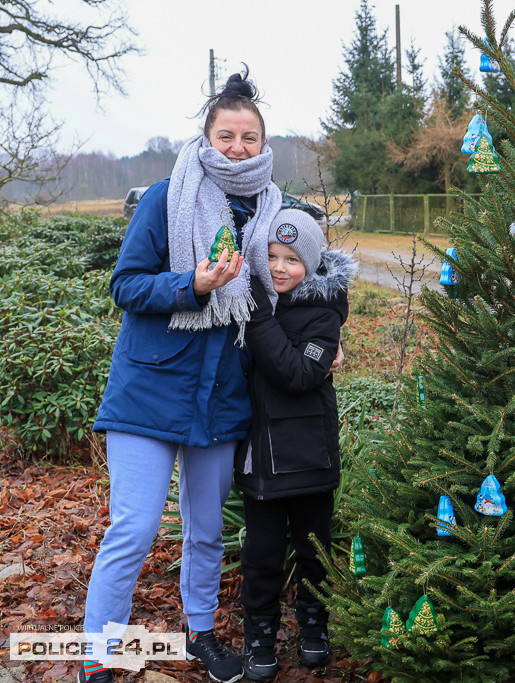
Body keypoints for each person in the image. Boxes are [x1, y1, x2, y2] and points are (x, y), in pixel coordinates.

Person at [80, 68, 281, 683]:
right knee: (134, 527)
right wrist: (192, 285)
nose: (237, 148)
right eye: (226, 135)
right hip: (148, 390)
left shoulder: (273, 209)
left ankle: (200, 635)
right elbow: (125, 285)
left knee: (206, 531)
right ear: (207, 136)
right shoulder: (167, 197)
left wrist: (324, 342)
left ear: (263, 143)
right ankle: (99, 655)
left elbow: (293, 285)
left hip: (221, 396)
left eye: (248, 137)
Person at [234, 209, 355, 680]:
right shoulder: (242, 303)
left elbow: (298, 373)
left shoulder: (323, 313)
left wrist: (261, 313)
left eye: (292, 259)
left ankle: (312, 624)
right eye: (271, 257)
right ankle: (260, 632)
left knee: (312, 549)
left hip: (310, 456)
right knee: (261, 555)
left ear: (311, 262)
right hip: (260, 456)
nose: (280, 267)